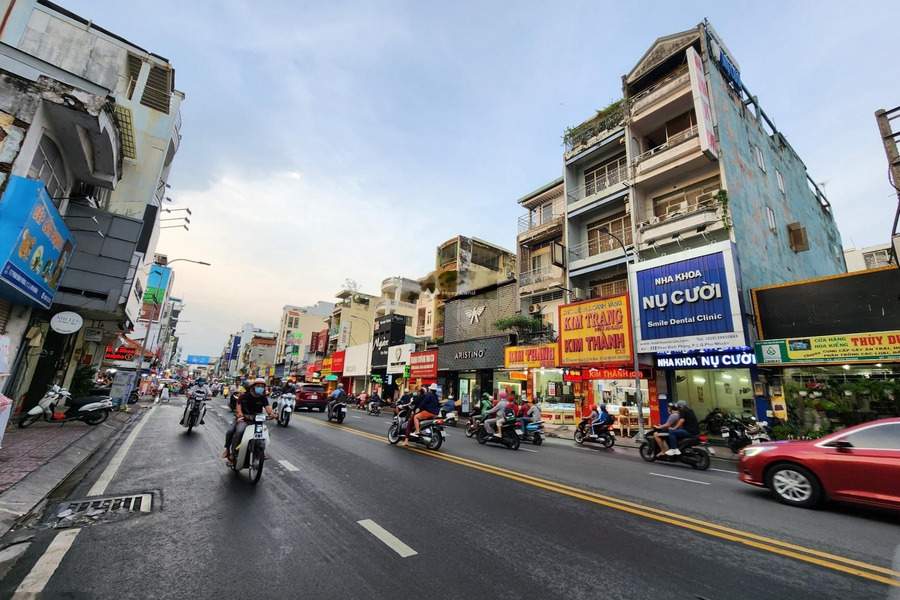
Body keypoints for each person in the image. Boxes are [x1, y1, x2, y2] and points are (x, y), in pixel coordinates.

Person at [223, 377, 276, 466]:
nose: (260, 388)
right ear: (253, 387)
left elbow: (267, 409)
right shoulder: (244, 396)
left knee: (266, 433)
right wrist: (240, 414)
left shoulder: (263, 398)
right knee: (238, 431)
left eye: (262, 387)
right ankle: (232, 453)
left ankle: (262, 451)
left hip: (257, 421)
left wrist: (273, 414)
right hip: (244, 420)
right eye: (258, 386)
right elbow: (238, 407)